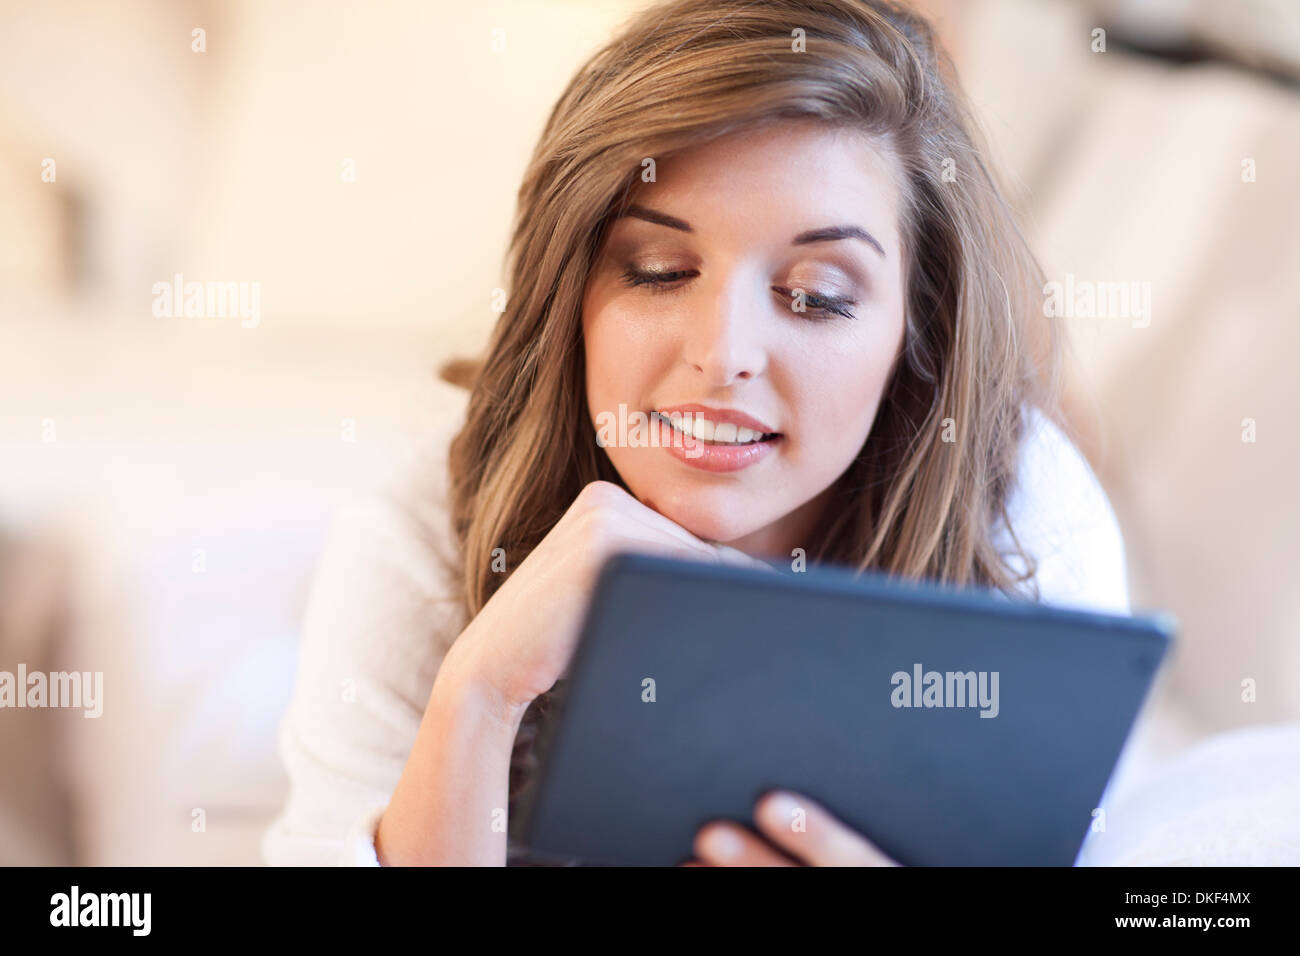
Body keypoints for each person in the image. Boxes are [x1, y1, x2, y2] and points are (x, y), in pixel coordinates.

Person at [263, 0, 1129, 867]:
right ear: (570, 294)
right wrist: (481, 696)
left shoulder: (1027, 525)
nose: (722, 357)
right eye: (660, 271)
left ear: (917, 328)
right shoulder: (416, 543)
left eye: (817, 295)